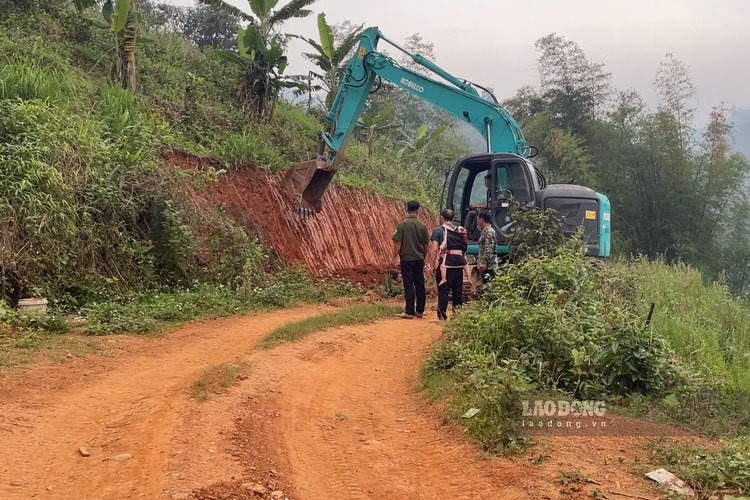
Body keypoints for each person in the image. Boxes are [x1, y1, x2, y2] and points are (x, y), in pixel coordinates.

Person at [391, 200, 430, 319]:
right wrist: (423, 257)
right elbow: (426, 245)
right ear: (418, 210)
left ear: (406, 208)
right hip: (419, 258)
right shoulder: (422, 226)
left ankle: (409, 311)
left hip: (407, 259)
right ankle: (420, 311)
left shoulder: (402, 224)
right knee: (420, 284)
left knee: (408, 283)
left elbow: (397, 242)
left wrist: (394, 258)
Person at [430, 209, 466, 320]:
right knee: (457, 291)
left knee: (443, 290)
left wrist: (432, 265)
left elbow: (435, 249)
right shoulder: (459, 230)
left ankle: (442, 314)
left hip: (445, 265)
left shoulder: (439, 231)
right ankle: (457, 314)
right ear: (454, 218)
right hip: (458, 265)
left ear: (442, 218)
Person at [477, 210, 498, 285]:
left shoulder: (489, 232)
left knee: (488, 285)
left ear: (481, 219)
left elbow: (489, 249)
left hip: (489, 266)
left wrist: (483, 262)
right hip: (486, 266)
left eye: (478, 218)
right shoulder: (485, 231)